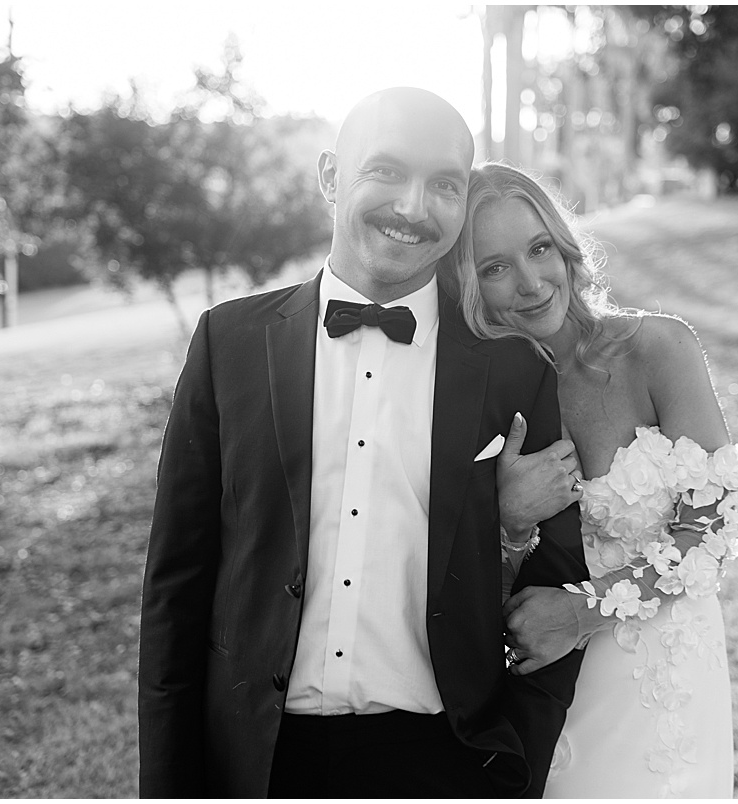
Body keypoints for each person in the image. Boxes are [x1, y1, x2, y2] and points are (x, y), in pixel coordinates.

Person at [138, 89, 588, 798]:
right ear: (329, 176)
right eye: (386, 172)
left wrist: (517, 763)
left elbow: (560, 582)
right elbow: (176, 586)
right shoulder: (229, 344)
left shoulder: (511, 367)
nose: (413, 207)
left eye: (443, 184)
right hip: (258, 760)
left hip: (448, 760)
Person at [441, 162, 738, 798]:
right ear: (466, 284)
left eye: (539, 249)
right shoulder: (469, 403)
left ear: (564, 245)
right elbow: (454, 587)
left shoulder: (659, 350)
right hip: (544, 691)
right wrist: (509, 521)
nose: (531, 284)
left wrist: (583, 612)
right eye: (495, 267)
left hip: (664, 679)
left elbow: (712, 535)